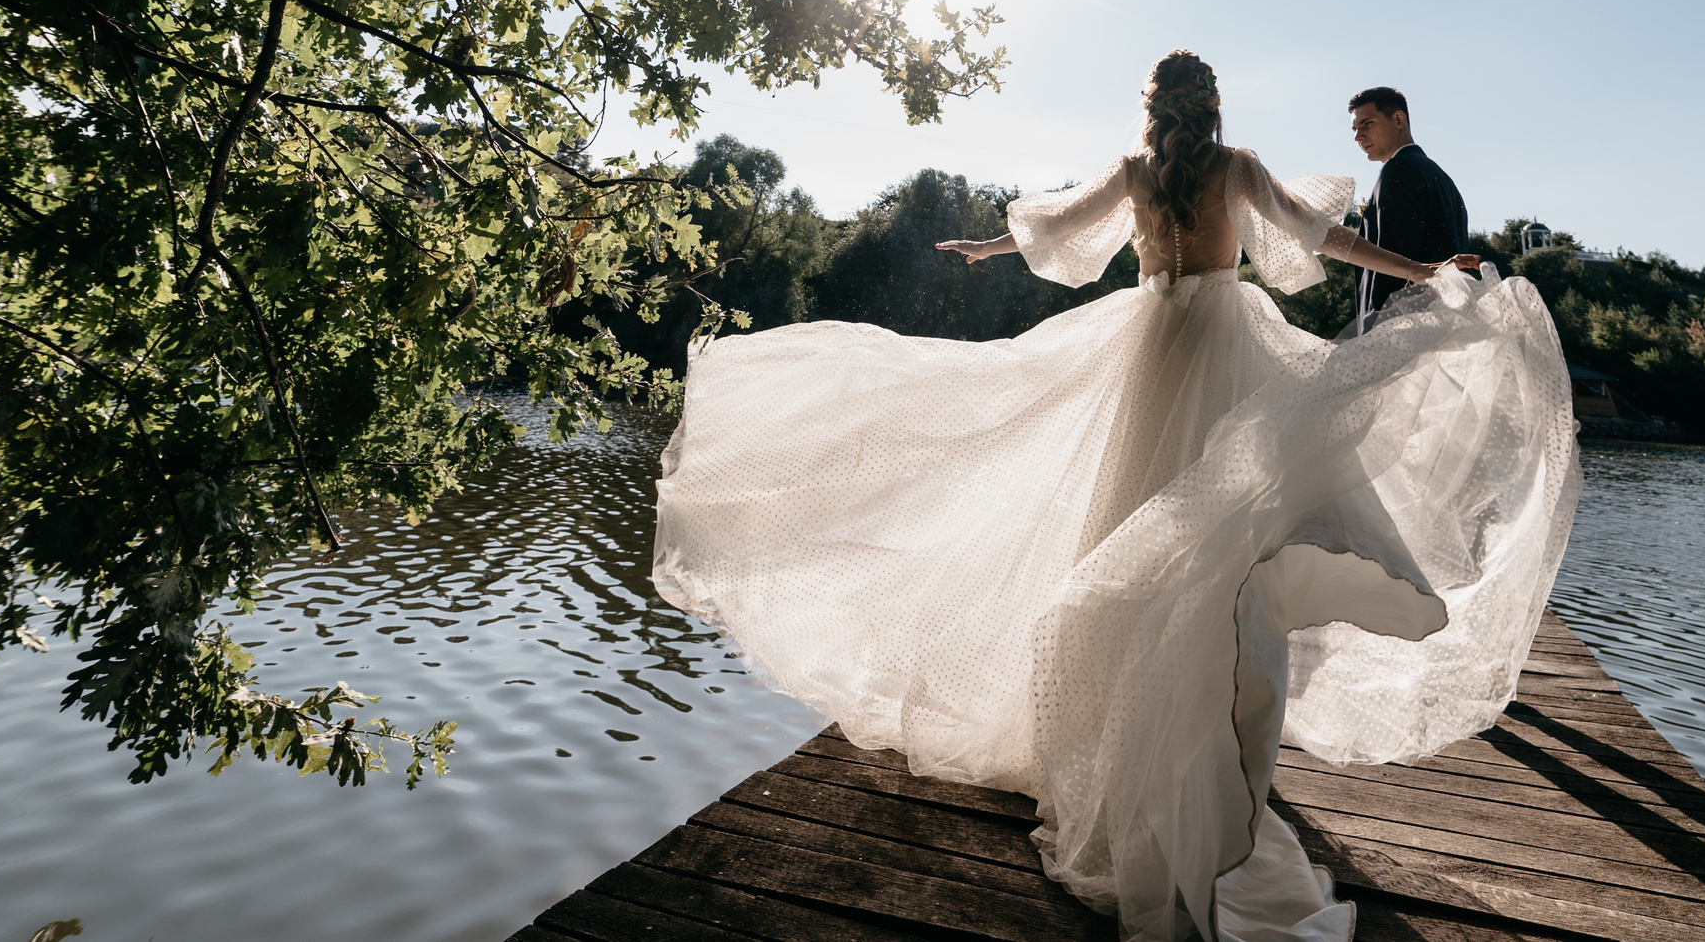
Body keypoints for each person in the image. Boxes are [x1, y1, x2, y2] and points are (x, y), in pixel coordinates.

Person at [652, 50, 1580, 942]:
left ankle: (1128, 735)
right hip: (1221, 349)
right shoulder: (1239, 166)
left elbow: (1055, 228)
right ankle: (1212, 737)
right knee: (1228, 553)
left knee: (1127, 530)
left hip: (1149, 353)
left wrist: (987, 244)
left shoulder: (1138, 172)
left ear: (1153, 109)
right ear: (1213, 106)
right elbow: (1320, 238)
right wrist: (1423, 273)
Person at [1344, 87, 1476, 335]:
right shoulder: (1443, 179)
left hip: (1403, 330)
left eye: (1367, 124)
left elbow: (1394, 257)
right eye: (1354, 129)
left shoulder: (1397, 170)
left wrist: (1375, 332)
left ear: (1398, 120)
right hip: (1444, 325)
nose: (1358, 137)